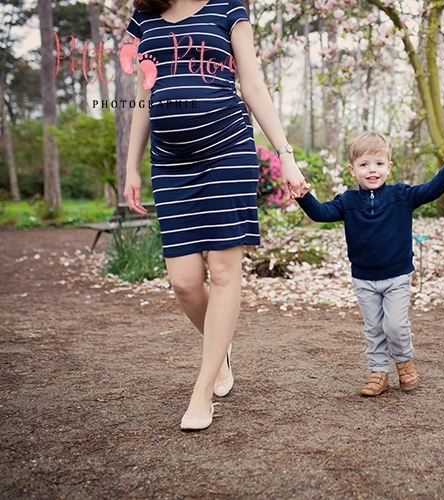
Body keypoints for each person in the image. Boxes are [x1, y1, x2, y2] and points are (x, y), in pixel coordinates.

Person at [122, 0, 307, 431]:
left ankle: (203, 390)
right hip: (170, 164)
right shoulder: (146, 16)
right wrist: (131, 167)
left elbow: (253, 86)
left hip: (227, 151)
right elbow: (144, 95)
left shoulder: (228, 8)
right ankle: (218, 347)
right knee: (184, 282)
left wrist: (287, 157)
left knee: (224, 272)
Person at [295, 132, 444, 396]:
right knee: (373, 328)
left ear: (389, 167)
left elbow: (432, 189)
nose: (372, 170)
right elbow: (321, 213)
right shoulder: (347, 202)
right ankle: (379, 371)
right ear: (352, 170)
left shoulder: (401, 196)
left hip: (397, 277)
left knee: (394, 325)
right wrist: (304, 196)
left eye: (379, 164)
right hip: (364, 279)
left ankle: (405, 363)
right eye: (364, 165)